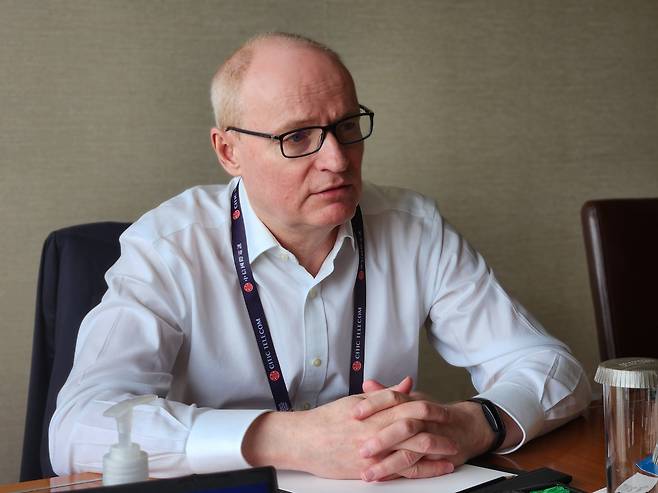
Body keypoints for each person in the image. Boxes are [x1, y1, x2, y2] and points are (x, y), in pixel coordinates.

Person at [49, 32, 591, 482]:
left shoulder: (414, 228)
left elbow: (554, 369)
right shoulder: (167, 247)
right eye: (298, 136)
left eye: (346, 126)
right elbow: (79, 430)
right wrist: (284, 438)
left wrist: (475, 423)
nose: (336, 159)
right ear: (229, 151)